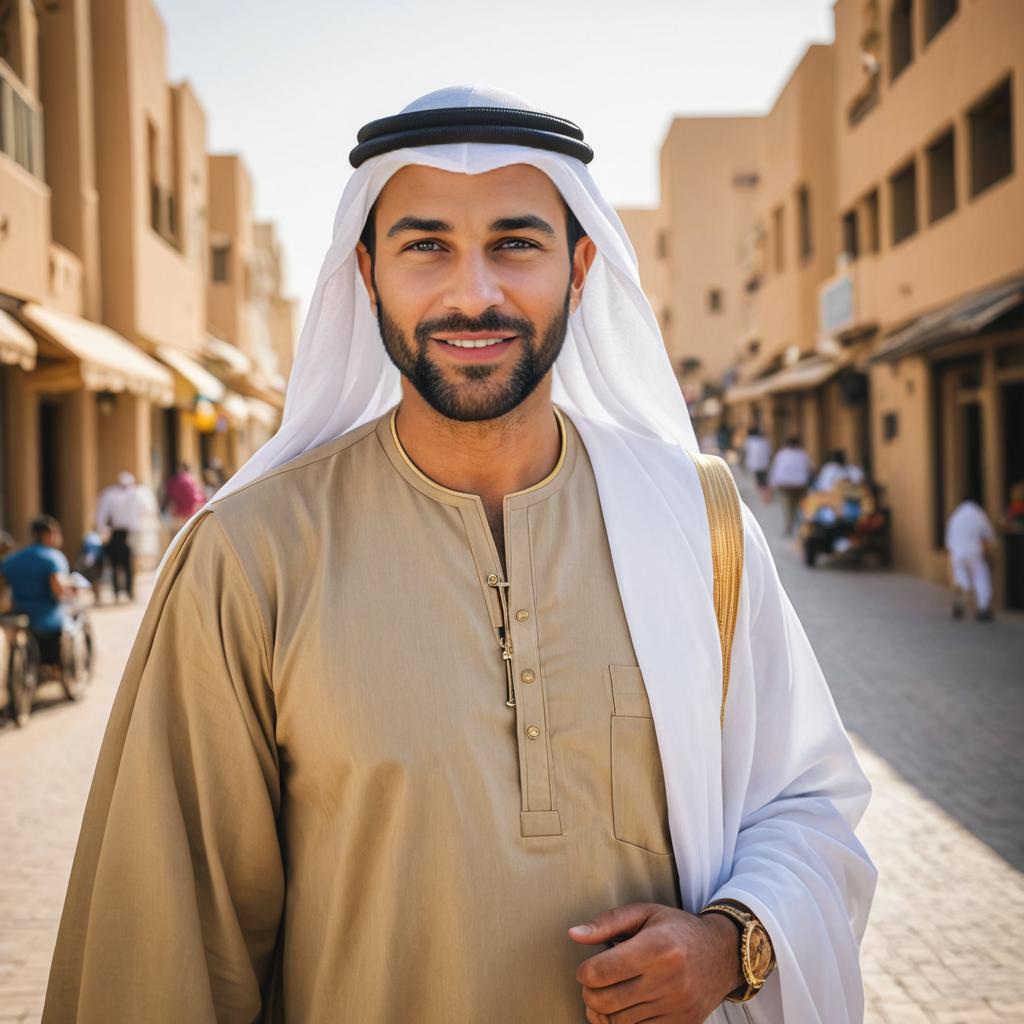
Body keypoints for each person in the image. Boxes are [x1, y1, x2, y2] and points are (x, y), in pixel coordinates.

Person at [44, 86, 874, 1024]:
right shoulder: (249, 558)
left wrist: (733, 941)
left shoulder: (702, 523)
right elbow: (170, 938)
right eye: (425, 245)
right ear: (366, 274)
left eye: (516, 244)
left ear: (581, 265)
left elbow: (808, 800)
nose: (473, 291)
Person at [0, 516, 74, 664]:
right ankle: (55, 669)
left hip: (19, 612)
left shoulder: (13, 558)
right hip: (46, 619)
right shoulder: (53, 558)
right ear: (49, 534)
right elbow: (57, 588)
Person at [94, 471, 144, 601]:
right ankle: (120, 591)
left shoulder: (133, 494)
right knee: (118, 564)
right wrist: (103, 530)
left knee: (125, 564)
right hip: (118, 533)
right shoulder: (112, 494)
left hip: (127, 533)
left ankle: (127, 591)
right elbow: (102, 514)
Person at [946, 496, 996, 621]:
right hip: (973, 552)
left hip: (956, 552)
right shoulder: (978, 514)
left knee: (961, 578)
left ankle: (960, 595)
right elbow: (989, 534)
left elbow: (948, 539)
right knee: (980, 576)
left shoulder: (955, 516)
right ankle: (983, 608)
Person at [768, 435, 814, 537]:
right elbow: (809, 469)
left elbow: (775, 470)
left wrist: (772, 486)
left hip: (784, 485)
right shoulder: (803, 455)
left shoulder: (781, 454)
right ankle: (801, 530)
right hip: (800, 485)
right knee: (800, 508)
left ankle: (788, 530)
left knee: (787, 508)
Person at [161, 462, 207, 533]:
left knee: (177, 537)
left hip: (177, 513)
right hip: (190, 513)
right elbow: (198, 496)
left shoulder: (175, 480)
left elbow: (169, 495)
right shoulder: (193, 480)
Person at [743, 426, 773, 502]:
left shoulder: (749, 441)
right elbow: (769, 452)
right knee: (765, 481)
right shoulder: (764, 441)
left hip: (755, 464)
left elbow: (746, 452)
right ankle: (767, 495)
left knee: (759, 481)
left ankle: (763, 496)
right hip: (764, 464)